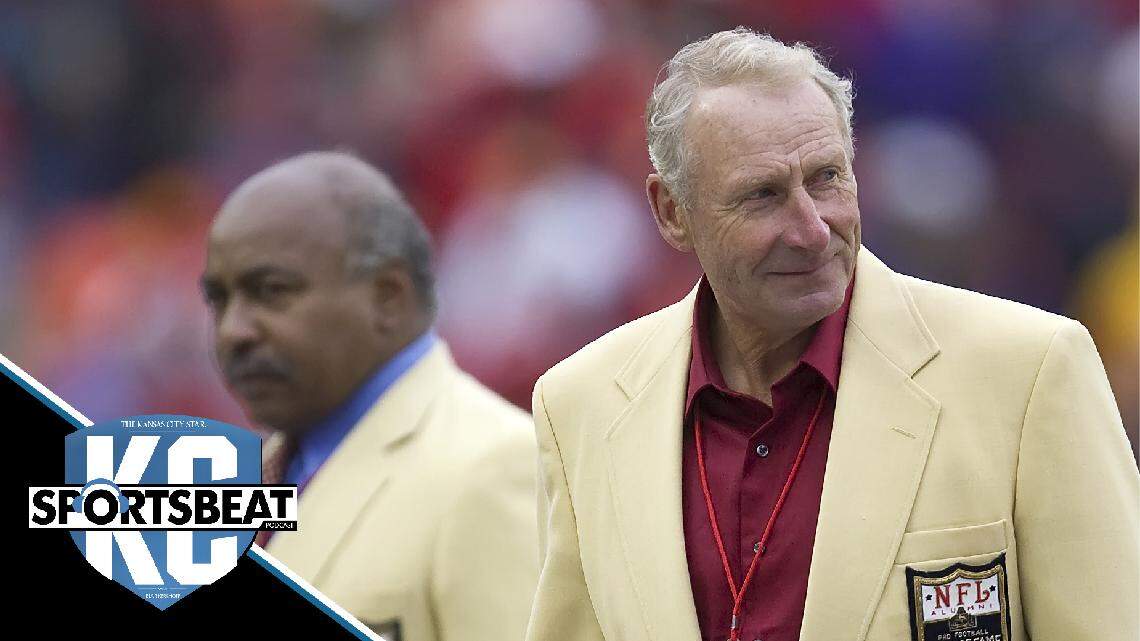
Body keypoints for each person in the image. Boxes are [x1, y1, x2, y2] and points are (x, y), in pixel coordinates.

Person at [524, 28, 1139, 641]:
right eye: (763, 195)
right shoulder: (583, 405)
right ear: (671, 212)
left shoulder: (1030, 373)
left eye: (826, 178)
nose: (813, 229)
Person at [202, 151, 537, 641]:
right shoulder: (252, 479)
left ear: (388, 297)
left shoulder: (493, 465)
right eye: (219, 300)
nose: (234, 331)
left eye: (271, 291)